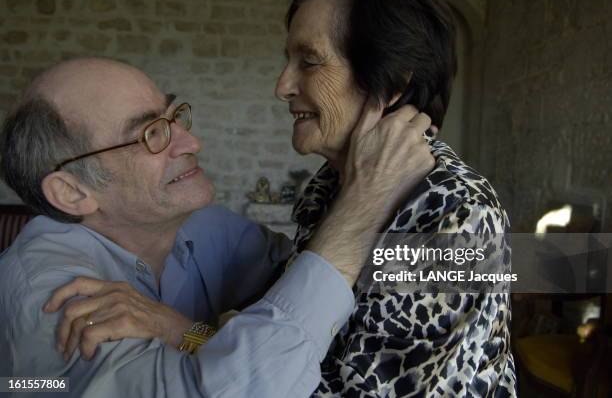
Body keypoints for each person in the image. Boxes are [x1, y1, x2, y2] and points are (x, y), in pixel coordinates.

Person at [38, 0, 517, 396]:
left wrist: (178, 331)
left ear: (391, 83)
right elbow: (296, 349)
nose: (282, 86)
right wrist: (188, 332)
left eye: (309, 62)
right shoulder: (329, 187)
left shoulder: (453, 213)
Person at [0, 57, 434, 397]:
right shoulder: (52, 296)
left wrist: (178, 329)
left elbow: (341, 296)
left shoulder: (206, 230)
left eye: (174, 118)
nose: (191, 143)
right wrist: (363, 203)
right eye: (151, 133)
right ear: (73, 192)